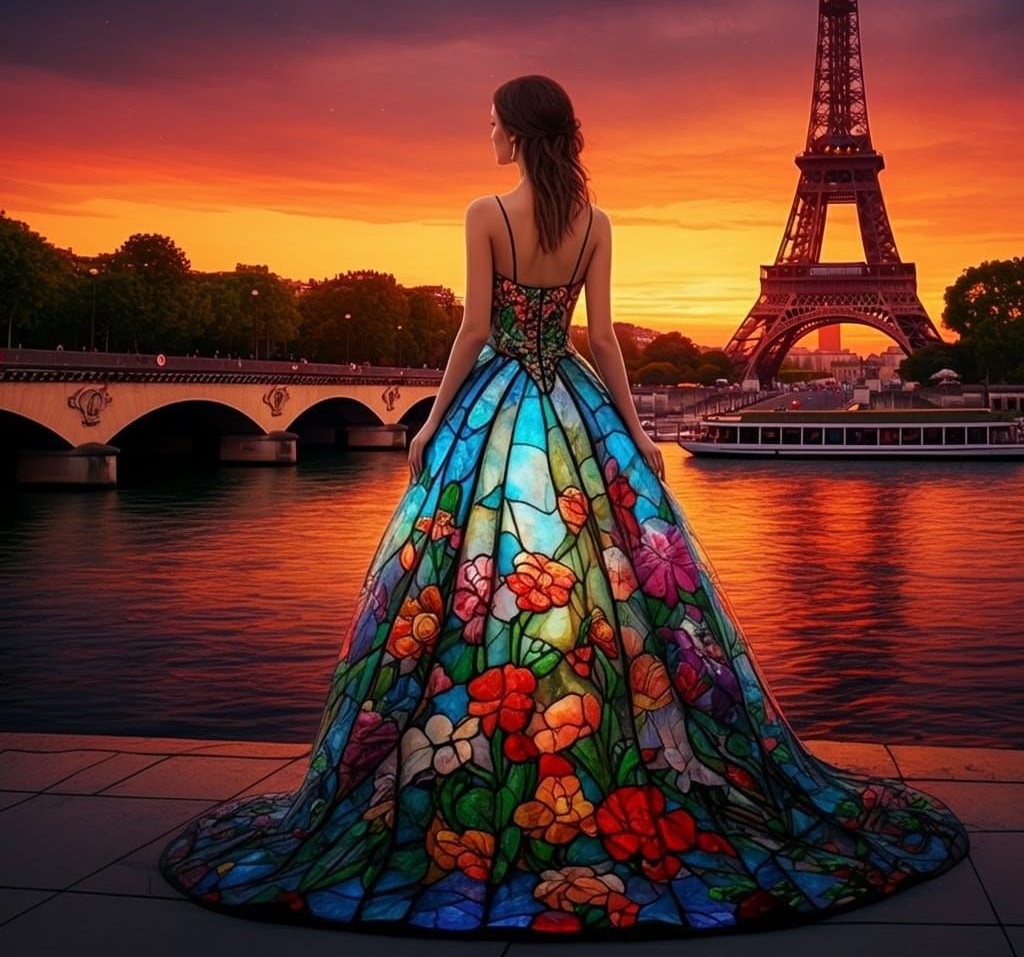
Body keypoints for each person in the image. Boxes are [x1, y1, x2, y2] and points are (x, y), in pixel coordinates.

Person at [160, 74, 968, 936]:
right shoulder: (595, 222)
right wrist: (637, 434)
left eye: (492, 122)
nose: (487, 133)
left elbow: (476, 329)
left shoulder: (486, 214)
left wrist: (432, 421)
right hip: (576, 407)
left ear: (516, 132)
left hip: (497, 407)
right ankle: (603, 740)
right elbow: (605, 337)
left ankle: (475, 752)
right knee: (602, 576)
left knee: (468, 573)